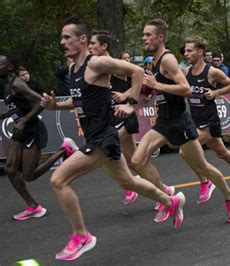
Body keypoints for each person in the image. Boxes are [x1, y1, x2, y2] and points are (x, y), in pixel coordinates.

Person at [41, 16, 185, 261]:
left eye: (67, 37)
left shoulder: (96, 62)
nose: (62, 42)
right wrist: (55, 106)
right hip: (95, 136)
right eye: (62, 37)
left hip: (103, 137)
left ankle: (81, 236)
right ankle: (171, 201)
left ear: (83, 39)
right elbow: (80, 102)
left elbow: (137, 71)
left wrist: (131, 103)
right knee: (128, 181)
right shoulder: (74, 69)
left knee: (58, 180)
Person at [131, 19, 230, 223]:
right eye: (143, 34)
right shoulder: (153, 61)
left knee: (203, 166)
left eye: (148, 35)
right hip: (164, 121)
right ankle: (168, 198)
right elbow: (161, 87)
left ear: (160, 37)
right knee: (137, 161)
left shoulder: (167, 59)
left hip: (180, 122)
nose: (144, 38)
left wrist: (158, 86)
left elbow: (186, 89)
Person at [0, 54, 78, 221]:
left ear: (10, 68)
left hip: (33, 130)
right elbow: (19, 105)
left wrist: (25, 120)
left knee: (29, 175)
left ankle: (64, 151)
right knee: (11, 169)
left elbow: (42, 102)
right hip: (20, 131)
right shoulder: (6, 84)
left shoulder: (17, 84)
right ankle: (34, 207)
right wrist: (5, 114)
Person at [182, 35, 230, 204]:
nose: (185, 53)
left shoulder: (212, 72)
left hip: (210, 122)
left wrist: (215, 93)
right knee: (222, 153)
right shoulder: (186, 72)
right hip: (196, 119)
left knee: (184, 151)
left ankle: (205, 181)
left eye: (189, 50)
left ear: (200, 52)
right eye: (185, 50)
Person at [88, 30, 141, 206]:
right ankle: (164, 190)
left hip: (125, 116)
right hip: (113, 117)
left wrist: (128, 99)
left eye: (92, 44)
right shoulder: (96, 66)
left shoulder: (114, 66)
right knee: (135, 161)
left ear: (104, 46)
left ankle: (130, 188)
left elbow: (138, 77)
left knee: (105, 150)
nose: (89, 47)